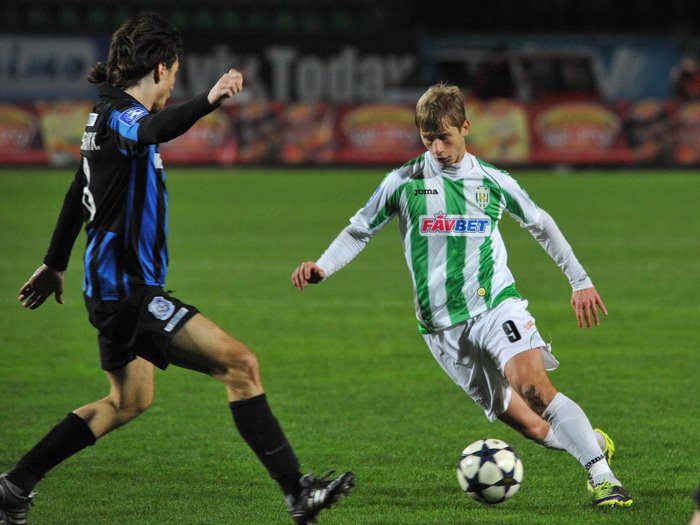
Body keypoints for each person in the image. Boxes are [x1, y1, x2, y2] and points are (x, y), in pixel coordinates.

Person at [0, 12, 353, 525]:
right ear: (162, 69)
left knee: (127, 401)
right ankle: (298, 492)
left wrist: (55, 263)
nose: (173, 87)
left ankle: (15, 486)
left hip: (109, 289)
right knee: (241, 365)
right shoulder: (123, 118)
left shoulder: (101, 117)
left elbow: (80, 187)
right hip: (127, 292)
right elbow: (154, 129)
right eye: (175, 75)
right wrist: (209, 99)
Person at [292, 83, 631, 507]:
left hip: (495, 306)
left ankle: (604, 478)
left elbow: (541, 223)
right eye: (427, 139)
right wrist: (323, 265)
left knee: (535, 390)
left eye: (444, 137)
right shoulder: (403, 182)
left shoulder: (492, 181)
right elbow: (359, 230)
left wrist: (579, 281)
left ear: (465, 128)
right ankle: (592, 444)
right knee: (532, 427)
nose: (436, 149)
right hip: (442, 329)